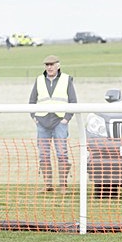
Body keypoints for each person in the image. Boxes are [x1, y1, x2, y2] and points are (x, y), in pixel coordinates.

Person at [28, 54, 78, 193]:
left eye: (52, 65)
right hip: (42, 122)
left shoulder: (66, 79)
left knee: (62, 154)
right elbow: (32, 101)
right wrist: (34, 117)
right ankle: (47, 185)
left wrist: (66, 118)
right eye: (47, 65)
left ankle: (63, 185)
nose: (49, 67)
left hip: (59, 121)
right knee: (43, 155)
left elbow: (73, 101)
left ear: (58, 65)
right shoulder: (39, 80)